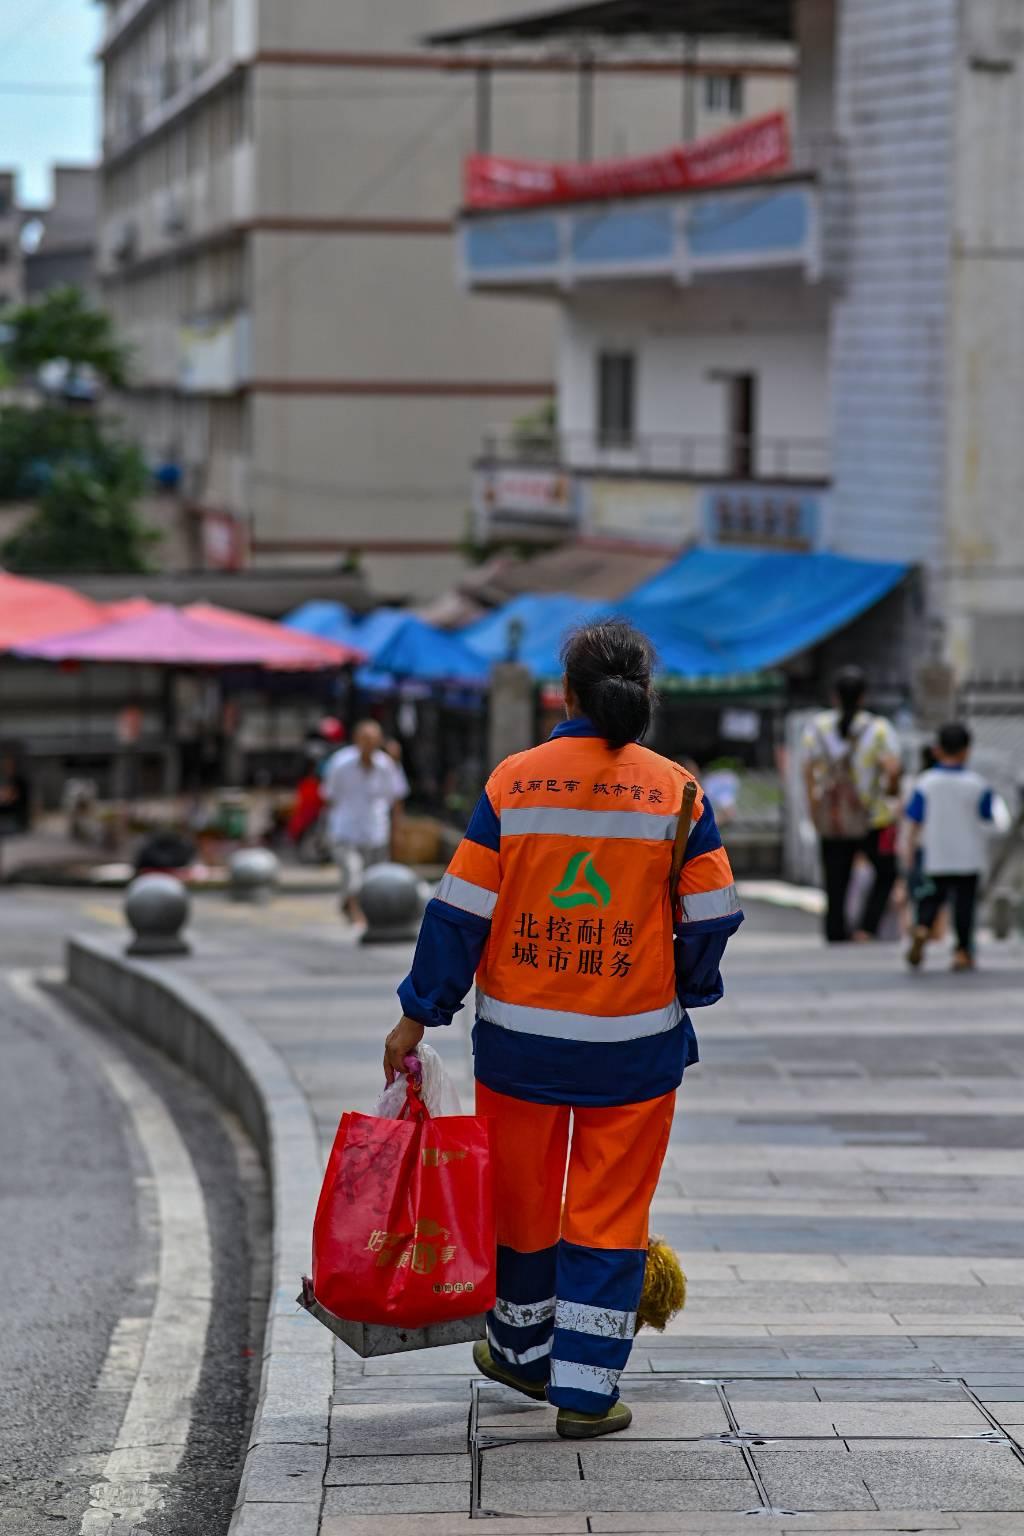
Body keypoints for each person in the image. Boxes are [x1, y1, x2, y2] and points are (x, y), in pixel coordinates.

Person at [385, 620, 743, 1440]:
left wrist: (417, 1012)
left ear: (567, 695)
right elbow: (713, 913)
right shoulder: (678, 791)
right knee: (608, 1217)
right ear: (643, 695)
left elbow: (460, 913)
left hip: (519, 1046)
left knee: (522, 1204)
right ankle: (585, 1393)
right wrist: (688, 983)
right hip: (633, 1049)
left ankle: (517, 1350)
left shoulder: (516, 782)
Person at [801, 666, 902, 943]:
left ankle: (836, 931)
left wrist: (814, 810)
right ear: (863, 697)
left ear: (835, 696)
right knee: (887, 871)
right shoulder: (880, 729)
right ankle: (866, 927)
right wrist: (892, 788)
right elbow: (893, 771)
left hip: (833, 815)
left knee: (835, 878)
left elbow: (808, 771)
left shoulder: (818, 726)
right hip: (874, 816)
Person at [904, 722, 998, 972]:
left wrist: (909, 851)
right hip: (968, 855)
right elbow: (988, 818)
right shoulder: (977, 784)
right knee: (964, 905)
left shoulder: (926, 782)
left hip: (936, 853)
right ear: (967, 750)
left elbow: (914, 820)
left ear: (938, 749)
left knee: (931, 898)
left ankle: (923, 927)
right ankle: (963, 951)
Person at [322, 720, 409, 921]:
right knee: (353, 873)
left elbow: (395, 798)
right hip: (346, 830)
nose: (368, 744)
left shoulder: (386, 765)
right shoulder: (340, 763)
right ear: (356, 740)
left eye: (373, 739)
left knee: (373, 878)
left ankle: (358, 908)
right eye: (365, 739)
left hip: (376, 831)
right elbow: (329, 796)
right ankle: (354, 912)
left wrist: (397, 831)